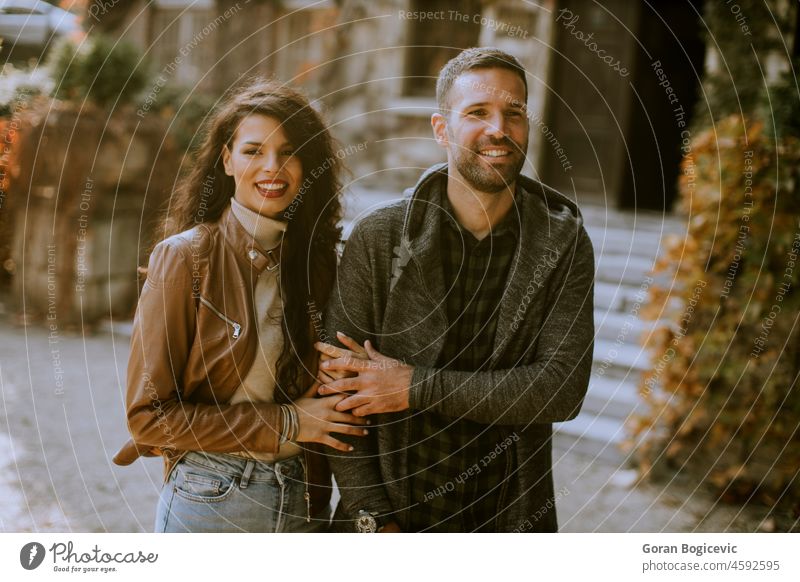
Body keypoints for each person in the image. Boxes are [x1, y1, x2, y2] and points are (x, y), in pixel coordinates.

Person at [315, 47, 595, 532]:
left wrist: (413, 386)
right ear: (441, 129)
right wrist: (370, 518)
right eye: (477, 113)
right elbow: (340, 391)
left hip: (508, 519)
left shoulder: (562, 242)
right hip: (389, 520)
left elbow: (560, 390)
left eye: (514, 113)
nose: (498, 130)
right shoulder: (379, 237)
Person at [112, 79, 369, 532]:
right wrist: (288, 423)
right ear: (227, 160)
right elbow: (148, 419)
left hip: (303, 498)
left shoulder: (319, 263)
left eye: (289, 152)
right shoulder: (184, 256)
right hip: (212, 496)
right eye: (254, 151)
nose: (273, 167)